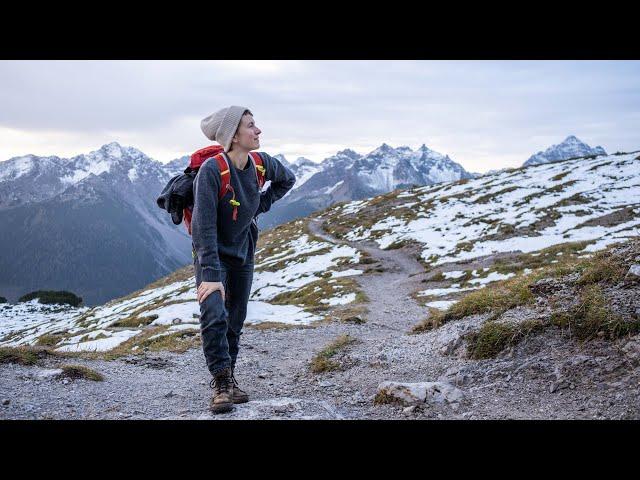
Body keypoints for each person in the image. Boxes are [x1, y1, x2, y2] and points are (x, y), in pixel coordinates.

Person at [191, 106, 296, 413]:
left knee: (234, 319)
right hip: (212, 254)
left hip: (243, 251)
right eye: (251, 126)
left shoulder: (262, 163)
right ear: (233, 135)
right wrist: (210, 275)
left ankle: (230, 378)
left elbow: (286, 180)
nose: (258, 130)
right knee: (214, 313)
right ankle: (221, 382)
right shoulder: (212, 171)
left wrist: (258, 206)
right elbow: (203, 227)